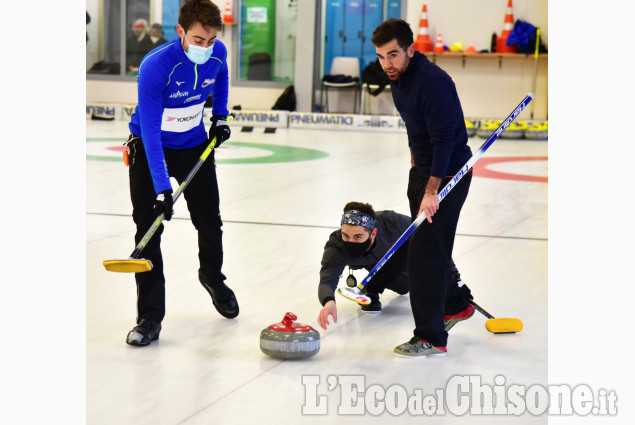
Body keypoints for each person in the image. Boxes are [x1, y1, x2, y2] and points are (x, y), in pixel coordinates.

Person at [124, 0, 237, 347]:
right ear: (180, 32)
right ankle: (150, 317)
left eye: (211, 39)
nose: (206, 47)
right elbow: (153, 134)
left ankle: (212, 278)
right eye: (199, 39)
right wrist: (161, 189)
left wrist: (219, 116)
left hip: (193, 147)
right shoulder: (156, 66)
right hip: (149, 147)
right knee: (149, 227)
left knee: (209, 220)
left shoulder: (217, 53)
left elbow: (221, 79)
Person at [371, 19, 475, 357]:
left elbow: (445, 141)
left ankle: (431, 336)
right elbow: (414, 127)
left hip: (448, 174)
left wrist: (432, 189)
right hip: (424, 172)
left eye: (393, 55)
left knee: (422, 256)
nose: (387, 64)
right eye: (381, 56)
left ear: (410, 50)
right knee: (428, 244)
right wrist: (416, 164)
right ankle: (456, 305)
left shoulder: (432, 83)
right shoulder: (398, 79)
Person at [317, 202, 472, 332]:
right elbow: (327, 278)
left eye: (358, 237)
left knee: (405, 286)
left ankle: (378, 283)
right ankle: (370, 290)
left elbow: (435, 244)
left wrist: (455, 278)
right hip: (373, 267)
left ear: (373, 233)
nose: (350, 241)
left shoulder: (393, 223)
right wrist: (328, 301)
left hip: (400, 260)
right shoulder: (337, 246)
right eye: (346, 235)